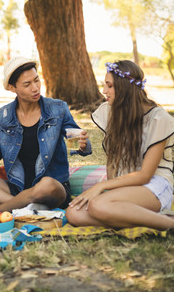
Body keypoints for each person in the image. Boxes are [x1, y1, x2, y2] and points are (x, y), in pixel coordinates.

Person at [0, 57, 92, 212]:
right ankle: (21, 207)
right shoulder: (4, 115)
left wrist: (83, 144)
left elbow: (77, 140)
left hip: (51, 188)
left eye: (36, 80)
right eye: (27, 84)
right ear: (13, 88)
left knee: (47, 183)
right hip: (17, 187)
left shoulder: (57, 108)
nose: (35, 88)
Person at [66, 60, 174, 230]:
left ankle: (169, 224)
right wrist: (111, 190)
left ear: (125, 88)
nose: (103, 91)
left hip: (154, 184)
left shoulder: (158, 118)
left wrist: (101, 187)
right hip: (126, 184)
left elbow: (145, 175)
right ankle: (138, 217)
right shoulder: (110, 111)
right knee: (73, 213)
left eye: (109, 86)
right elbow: (112, 161)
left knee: (98, 206)